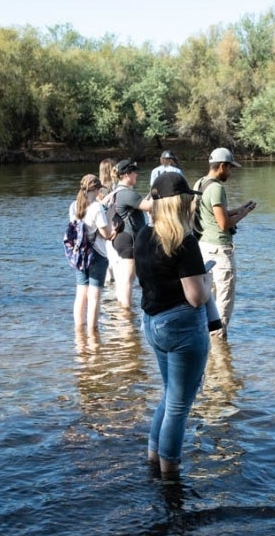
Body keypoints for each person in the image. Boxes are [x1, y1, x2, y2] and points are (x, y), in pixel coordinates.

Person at [134, 171, 212, 477]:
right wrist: (206, 280)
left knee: (169, 395)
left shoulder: (143, 235)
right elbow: (196, 298)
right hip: (181, 325)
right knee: (179, 405)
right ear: (180, 203)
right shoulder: (184, 240)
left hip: (152, 322)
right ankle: (170, 474)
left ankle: (154, 458)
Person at [194, 147, 256, 338]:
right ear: (222, 166)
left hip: (203, 247)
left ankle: (209, 349)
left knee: (208, 301)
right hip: (221, 251)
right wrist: (243, 214)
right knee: (223, 303)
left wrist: (237, 209)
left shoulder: (200, 183)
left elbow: (210, 215)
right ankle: (220, 353)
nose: (231, 172)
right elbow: (223, 224)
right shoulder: (217, 188)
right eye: (230, 168)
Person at [70, 174, 115, 331]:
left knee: (81, 294)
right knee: (94, 296)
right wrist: (109, 215)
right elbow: (107, 234)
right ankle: (92, 332)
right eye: (98, 190)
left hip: (80, 254)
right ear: (95, 189)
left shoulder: (74, 206)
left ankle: (79, 331)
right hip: (97, 255)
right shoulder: (96, 208)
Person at [107, 158, 152, 309]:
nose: (136, 176)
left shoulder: (117, 192)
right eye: (134, 173)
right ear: (127, 174)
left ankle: (123, 306)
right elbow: (148, 206)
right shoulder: (126, 193)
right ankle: (126, 310)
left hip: (121, 237)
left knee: (124, 276)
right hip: (128, 238)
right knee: (128, 277)